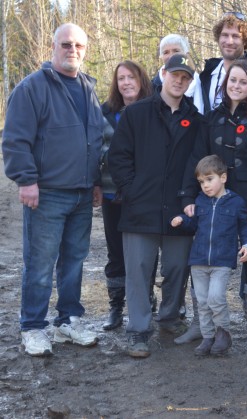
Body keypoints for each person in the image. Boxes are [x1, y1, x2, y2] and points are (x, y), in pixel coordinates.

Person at [2, 23, 101, 356]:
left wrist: (97, 182)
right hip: (47, 194)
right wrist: (26, 180)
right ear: (53, 46)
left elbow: (97, 141)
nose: (72, 50)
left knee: (74, 261)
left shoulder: (88, 87)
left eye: (78, 46)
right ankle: (33, 326)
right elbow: (15, 139)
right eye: (66, 44)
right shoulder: (33, 88)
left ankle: (67, 321)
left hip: (83, 194)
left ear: (85, 50)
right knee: (40, 263)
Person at [108, 54, 202, 358]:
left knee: (177, 268)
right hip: (140, 208)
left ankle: (169, 317)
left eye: (185, 77)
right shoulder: (136, 113)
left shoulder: (196, 119)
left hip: (178, 209)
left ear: (189, 82)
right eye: (175, 74)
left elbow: (198, 161)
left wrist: (189, 197)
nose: (179, 80)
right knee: (138, 270)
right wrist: (131, 190)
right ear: (163, 74)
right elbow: (118, 156)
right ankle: (138, 331)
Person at [182, 59, 247, 349]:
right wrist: (188, 197)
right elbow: (196, 158)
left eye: (243, 82)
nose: (237, 86)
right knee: (204, 257)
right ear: (225, 84)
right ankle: (204, 324)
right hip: (212, 200)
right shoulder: (211, 118)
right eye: (232, 80)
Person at [172, 155, 247, 356]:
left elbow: (244, 226)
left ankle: (223, 333)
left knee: (216, 298)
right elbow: (194, 225)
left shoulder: (236, 202)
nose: (205, 186)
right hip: (198, 260)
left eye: (210, 179)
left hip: (222, 261)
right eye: (201, 182)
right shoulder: (200, 201)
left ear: (223, 177)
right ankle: (207, 337)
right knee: (201, 301)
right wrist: (182, 220)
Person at [100, 60, 153, 330]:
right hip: (113, 195)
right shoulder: (106, 112)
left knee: (145, 253)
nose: (126, 83)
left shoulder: (153, 109)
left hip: (145, 196)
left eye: (131, 77)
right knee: (116, 252)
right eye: (121, 78)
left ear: (141, 80)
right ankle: (116, 306)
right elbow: (97, 147)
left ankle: (147, 300)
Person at [196, 12, 247, 114]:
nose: (229, 41)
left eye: (235, 36)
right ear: (218, 38)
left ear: (245, 40)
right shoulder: (208, 74)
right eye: (225, 35)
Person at [151, 34, 199, 100]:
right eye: (166, 52)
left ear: (186, 53)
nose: (171, 56)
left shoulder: (202, 83)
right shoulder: (151, 88)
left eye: (176, 51)